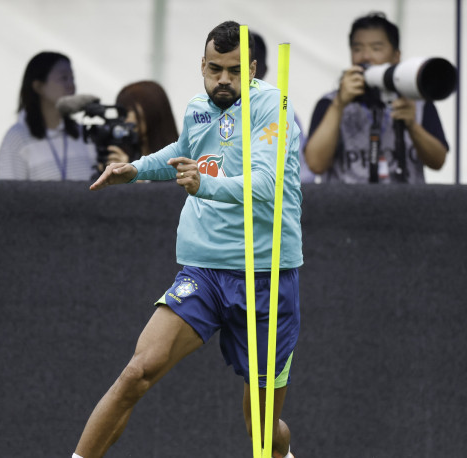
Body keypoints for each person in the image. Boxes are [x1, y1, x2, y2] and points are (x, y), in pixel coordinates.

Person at [73, 20, 301, 458]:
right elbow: (181, 151)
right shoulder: (198, 107)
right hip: (205, 270)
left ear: (252, 68)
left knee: (261, 428)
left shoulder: (274, 106)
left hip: (267, 275)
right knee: (137, 372)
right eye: (214, 69)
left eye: (234, 71)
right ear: (202, 65)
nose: (223, 80)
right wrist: (136, 170)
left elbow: (267, 183)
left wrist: (205, 186)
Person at [304, 12, 449, 184]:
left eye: (376, 48)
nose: (366, 56)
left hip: (406, 207)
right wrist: (339, 105)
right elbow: (315, 164)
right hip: (345, 208)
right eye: (357, 49)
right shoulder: (330, 103)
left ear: (396, 56)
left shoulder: (417, 102)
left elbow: (438, 162)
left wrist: (413, 126)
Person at [0, 51, 96, 180]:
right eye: (64, 78)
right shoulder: (17, 137)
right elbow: (9, 193)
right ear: (38, 87)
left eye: (72, 78)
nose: (71, 85)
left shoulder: (81, 133)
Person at [250, 31, 320, 184]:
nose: (243, 76)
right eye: (234, 68)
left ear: (263, 70)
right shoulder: (208, 113)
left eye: (251, 68)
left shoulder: (282, 113)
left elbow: (303, 177)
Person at [102, 80, 179, 165]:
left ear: (152, 111)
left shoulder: (180, 159)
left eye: (128, 111)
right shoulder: (125, 153)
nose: (124, 120)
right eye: (121, 114)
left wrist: (132, 175)